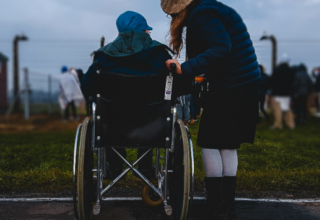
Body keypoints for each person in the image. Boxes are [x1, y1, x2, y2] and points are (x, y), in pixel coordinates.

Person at [161, 0, 261, 218]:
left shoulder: (202, 15)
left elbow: (221, 48)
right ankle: (227, 204)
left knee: (209, 141)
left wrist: (185, 68)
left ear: (182, 10)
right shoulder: (210, 8)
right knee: (226, 143)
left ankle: (215, 203)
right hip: (242, 82)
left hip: (231, 84)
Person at [81, 11, 173, 179]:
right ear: (146, 32)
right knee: (151, 111)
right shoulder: (161, 55)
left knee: (108, 114)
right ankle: (145, 167)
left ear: (119, 33)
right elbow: (175, 86)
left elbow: (87, 87)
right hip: (152, 125)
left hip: (112, 124)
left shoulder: (103, 56)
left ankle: (114, 166)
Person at [269, 54, 296, 129]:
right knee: (287, 109)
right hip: (287, 93)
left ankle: (278, 124)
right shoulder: (291, 71)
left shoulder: (277, 70)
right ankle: (290, 124)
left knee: (277, 109)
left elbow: (272, 81)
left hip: (277, 93)